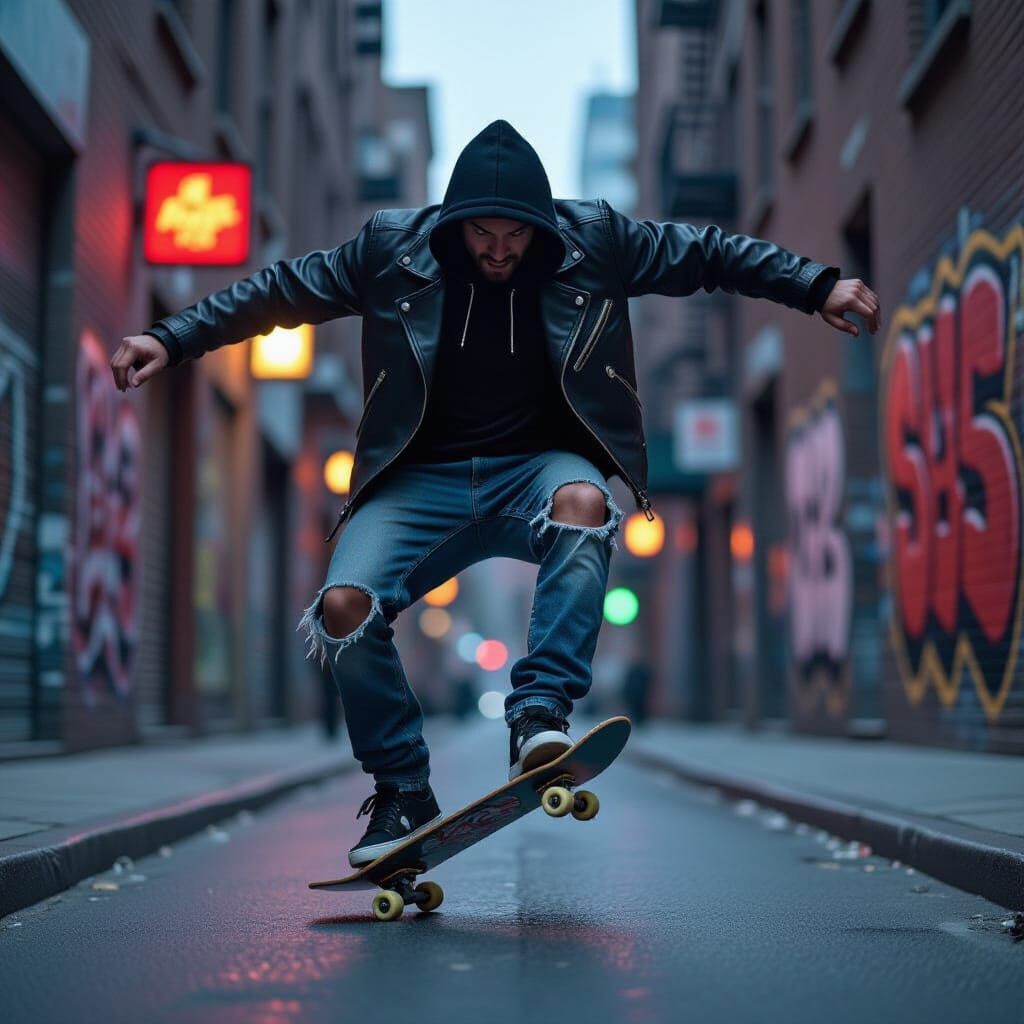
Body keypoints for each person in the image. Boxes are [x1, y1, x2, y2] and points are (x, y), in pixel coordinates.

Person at [110, 120, 880, 867]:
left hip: (537, 471)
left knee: (585, 505)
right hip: (418, 482)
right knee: (343, 608)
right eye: (483, 236)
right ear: (455, 225)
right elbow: (281, 289)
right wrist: (170, 337)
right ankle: (403, 789)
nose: (500, 252)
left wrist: (816, 285)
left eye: (516, 238)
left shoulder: (597, 240)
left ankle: (539, 714)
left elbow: (708, 254)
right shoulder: (390, 248)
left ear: (543, 228)